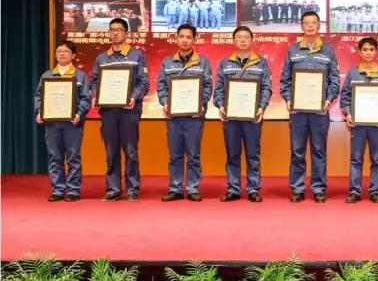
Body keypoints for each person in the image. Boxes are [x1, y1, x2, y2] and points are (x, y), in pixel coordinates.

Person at [280, 11, 340, 203]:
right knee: (297, 151)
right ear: (302, 26)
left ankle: (318, 188)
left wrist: (328, 100)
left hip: (320, 111)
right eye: (307, 23)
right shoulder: (293, 51)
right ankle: (297, 188)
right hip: (298, 111)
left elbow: (334, 80)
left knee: (319, 151)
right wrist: (289, 99)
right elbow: (285, 80)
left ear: (319, 26)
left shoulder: (328, 51)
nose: (310, 26)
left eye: (314, 22)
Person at [90, 18, 149, 201]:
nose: (115, 33)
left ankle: (132, 189)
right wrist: (95, 96)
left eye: (119, 29)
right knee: (111, 151)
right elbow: (94, 82)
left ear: (126, 33)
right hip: (108, 112)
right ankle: (113, 189)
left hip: (129, 110)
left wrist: (133, 97)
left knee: (131, 151)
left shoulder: (137, 55)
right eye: (112, 30)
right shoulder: (102, 58)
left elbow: (143, 82)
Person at [214, 26, 272, 202]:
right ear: (233, 41)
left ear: (251, 40)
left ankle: (253, 189)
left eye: (246, 37)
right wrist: (221, 106)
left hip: (253, 117)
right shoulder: (225, 63)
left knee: (253, 155)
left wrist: (261, 107)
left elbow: (266, 87)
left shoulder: (261, 63)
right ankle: (233, 189)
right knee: (232, 154)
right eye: (239, 37)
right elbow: (219, 89)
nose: (243, 40)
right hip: (231, 117)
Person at [156, 24, 213, 202]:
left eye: (188, 37)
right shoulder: (167, 62)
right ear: (177, 38)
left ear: (194, 40)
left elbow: (208, 87)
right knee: (175, 155)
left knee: (193, 154)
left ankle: (192, 188)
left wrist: (201, 104)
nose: (185, 40)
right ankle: (175, 188)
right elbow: (161, 86)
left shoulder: (203, 62)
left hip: (194, 117)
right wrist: (165, 103)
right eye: (181, 36)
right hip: (174, 117)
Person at [35, 40, 91, 202]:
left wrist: (79, 113)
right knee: (55, 157)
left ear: (73, 55)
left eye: (66, 51)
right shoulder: (46, 75)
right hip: (52, 124)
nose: (61, 54)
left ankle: (73, 190)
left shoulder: (80, 76)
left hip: (73, 124)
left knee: (73, 158)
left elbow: (85, 99)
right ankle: (58, 190)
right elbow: (39, 97)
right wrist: (40, 112)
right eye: (59, 51)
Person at [340, 37, 378, 203]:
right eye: (365, 49)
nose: (368, 53)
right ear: (360, 52)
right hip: (358, 124)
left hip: (377, 124)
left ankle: (374, 191)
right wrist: (348, 113)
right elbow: (345, 97)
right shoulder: (353, 73)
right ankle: (355, 191)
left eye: (371, 49)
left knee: (377, 159)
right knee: (356, 158)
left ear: (376, 52)